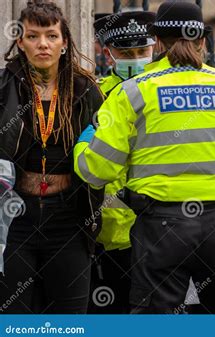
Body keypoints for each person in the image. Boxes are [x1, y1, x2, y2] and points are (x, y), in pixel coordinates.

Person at [74, 1, 215, 314]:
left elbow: (97, 170)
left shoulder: (131, 92)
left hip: (160, 226)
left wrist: (83, 145)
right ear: (203, 41)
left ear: (158, 43)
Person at [0, 0, 103, 313]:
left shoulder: (86, 89)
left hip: (70, 217)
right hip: (15, 217)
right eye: (33, 36)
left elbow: (105, 150)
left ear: (64, 42)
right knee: (13, 317)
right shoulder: (5, 87)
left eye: (51, 35)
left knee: (69, 317)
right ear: (20, 41)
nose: (42, 44)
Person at [88, 10, 155, 314]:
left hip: (162, 228)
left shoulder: (166, 91)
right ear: (108, 53)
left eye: (142, 50)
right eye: (126, 52)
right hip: (109, 231)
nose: (136, 58)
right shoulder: (95, 95)